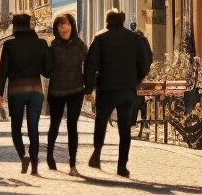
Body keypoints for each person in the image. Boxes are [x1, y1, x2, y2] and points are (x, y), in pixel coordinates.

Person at [85, 9, 152, 178]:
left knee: (100, 123)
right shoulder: (134, 38)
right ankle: (122, 166)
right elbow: (145, 62)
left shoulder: (100, 38)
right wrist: (136, 80)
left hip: (107, 90)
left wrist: (89, 88)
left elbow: (91, 65)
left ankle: (97, 155)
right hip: (127, 90)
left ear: (107, 20)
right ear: (122, 20)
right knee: (125, 129)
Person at [0, 13, 53, 175]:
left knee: (16, 128)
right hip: (35, 90)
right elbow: (47, 71)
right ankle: (34, 164)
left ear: (14, 27)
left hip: (16, 91)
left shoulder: (9, 45)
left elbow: (3, 70)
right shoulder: (41, 44)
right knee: (33, 128)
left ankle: (23, 156)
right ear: (30, 26)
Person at [44, 13, 87, 175]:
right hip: (56, 91)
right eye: (60, 25)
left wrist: (88, 86)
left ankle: (72, 163)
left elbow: (89, 65)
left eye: (66, 24)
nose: (64, 28)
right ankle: (49, 156)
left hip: (76, 89)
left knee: (72, 126)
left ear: (72, 26)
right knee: (54, 125)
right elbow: (47, 71)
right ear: (56, 28)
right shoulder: (52, 46)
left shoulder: (80, 45)